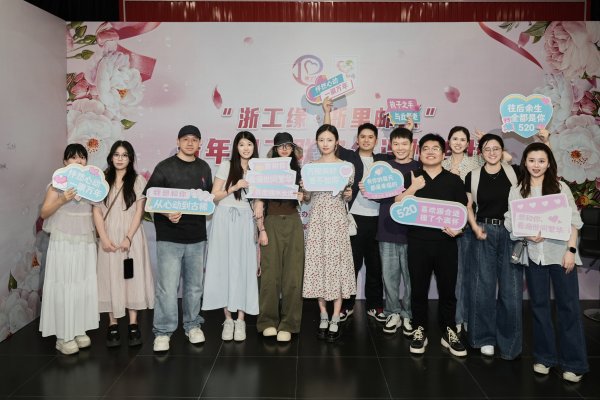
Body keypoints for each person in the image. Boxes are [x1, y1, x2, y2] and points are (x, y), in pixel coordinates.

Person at [505, 142, 588, 382]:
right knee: (539, 307)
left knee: (568, 308)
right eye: (532, 160)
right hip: (534, 256)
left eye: (541, 161)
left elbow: (574, 222)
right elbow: (510, 221)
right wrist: (526, 233)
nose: (536, 165)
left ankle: (574, 363)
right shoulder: (517, 190)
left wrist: (571, 250)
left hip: (560, 255)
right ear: (525, 162)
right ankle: (544, 358)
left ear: (549, 163)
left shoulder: (560, 187)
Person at [144, 125, 213, 352]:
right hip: (169, 237)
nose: (190, 143)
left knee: (194, 286)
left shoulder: (204, 168)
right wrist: (166, 213)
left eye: (194, 139)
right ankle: (163, 331)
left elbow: (207, 200)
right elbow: (150, 199)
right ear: (178, 141)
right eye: (185, 139)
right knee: (167, 287)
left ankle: (192, 325)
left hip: (196, 237)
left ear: (200, 143)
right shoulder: (164, 167)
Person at [399, 133, 468, 356]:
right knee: (418, 290)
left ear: (443, 153)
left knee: (448, 290)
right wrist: (413, 188)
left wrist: (460, 229)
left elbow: (464, 211)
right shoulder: (412, 176)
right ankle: (419, 329)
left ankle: (449, 330)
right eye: (425, 148)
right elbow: (397, 205)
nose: (430, 152)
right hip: (417, 242)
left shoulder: (454, 180)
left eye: (435, 148)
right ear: (419, 153)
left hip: (446, 243)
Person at [465, 133, 521, 359]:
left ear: (502, 151)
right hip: (483, 231)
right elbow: (468, 206)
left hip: (511, 232)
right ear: (481, 153)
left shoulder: (514, 172)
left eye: (496, 148)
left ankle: (510, 343)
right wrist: (474, 227)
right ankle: (484, 338)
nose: (491, 153)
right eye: (487, 149)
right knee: (482, 287)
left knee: (511, 288)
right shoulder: (472, 176)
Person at [93, 140, 154, 347]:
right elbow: (96, 211)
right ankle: (112, 323)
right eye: (116, 154)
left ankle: (133, 323)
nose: (120, 159)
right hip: (108, 236)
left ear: (130, 158)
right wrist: (104, 238)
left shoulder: (137, 181)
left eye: (124, 155)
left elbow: (139, 211)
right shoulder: (101, 180)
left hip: (132, 236)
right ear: (111, 157)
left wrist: (128, 237)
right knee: (109, 276)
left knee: (131, 277)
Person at [39, 144, 99, 355]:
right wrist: (62, 199)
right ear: (65, 162)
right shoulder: (57, 185)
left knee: (82, 283)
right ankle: (63, 335)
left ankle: (79, 328)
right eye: (73, 158)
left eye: (82, 157)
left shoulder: (91, 186)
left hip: (85, 240)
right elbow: (44, 213)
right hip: (63, 241)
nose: (79, 161)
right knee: (64, 283)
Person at [203, 131, 259, 342]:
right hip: (224, 218)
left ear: (254, 147)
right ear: (236, 147)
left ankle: (241, 319)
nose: (246, 148)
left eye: (249, 144)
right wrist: (234, 187)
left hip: (246, 219)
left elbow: (260, 197)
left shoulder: (258, 168)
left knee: (245, 267)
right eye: (242, 144)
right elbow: (214, 196)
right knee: (224, 266)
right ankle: (228, 318)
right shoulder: (226, 166)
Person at [302, 124, 355, 342]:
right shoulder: (310, 168)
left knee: (337, 266)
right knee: (319, 266)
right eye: (321, 140)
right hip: (317, 222)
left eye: (329, 140)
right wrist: (304, 190)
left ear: (336, 142)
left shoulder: (346, 167)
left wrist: (348, 194)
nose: (325, 144)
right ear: (317, 142)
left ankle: (335, 316)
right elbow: (307, 198)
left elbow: (347, 195)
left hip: (337, 222)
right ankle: (323, 313)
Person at [253, 132, 305, 342]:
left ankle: (289, 323)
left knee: (293, 275)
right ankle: (267, 321)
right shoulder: (265, 169)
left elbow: (306, 195)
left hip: (293, 222)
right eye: (281, 146)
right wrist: (261, 228)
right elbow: (258, 198)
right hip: (271, 222)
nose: (284, 149)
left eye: (288, 146)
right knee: (269, 275)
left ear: (292, 149)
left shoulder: (298, 170)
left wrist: (303, 194)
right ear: (274, 149)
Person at [374, 127, 420, 336]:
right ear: (390, 145)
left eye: (404, 143)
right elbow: (381, 196)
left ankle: (408, 314)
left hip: (414, 232)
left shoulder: (419, 167)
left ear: (411, 145)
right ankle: (392, 312)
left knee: (412, 278)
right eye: (396, 144)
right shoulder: (384, 168)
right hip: (388, 229)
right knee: (389, 277)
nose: (400, 148)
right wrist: (410, 190)